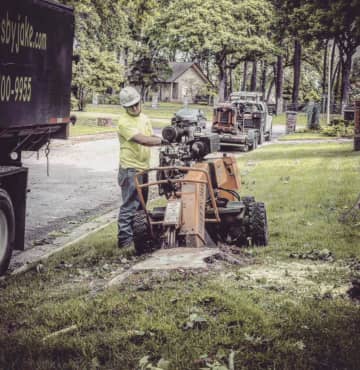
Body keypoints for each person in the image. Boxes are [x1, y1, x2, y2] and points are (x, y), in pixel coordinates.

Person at [117, 86, 163, 248]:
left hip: (143, 167)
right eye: (131, 106)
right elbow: (142, 140)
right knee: (130, 205)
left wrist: (170, 137)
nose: (135, 108)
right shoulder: (123, 122)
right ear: (125, 107)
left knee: (141, 206)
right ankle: (125, 241)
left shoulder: (144, 118)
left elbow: (151, 137)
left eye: (137, 104)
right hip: (130, 169)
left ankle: (140, 238)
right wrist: (164, 141)